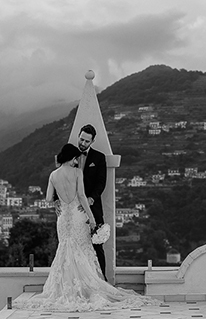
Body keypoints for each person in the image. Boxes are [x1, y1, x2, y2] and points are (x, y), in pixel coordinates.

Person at [13, 143, 157, 312]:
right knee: (83, 250)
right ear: (72, 158)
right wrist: (92, 217)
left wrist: (58, 201)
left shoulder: (53, 175)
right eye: (76, 158)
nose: (77, 161)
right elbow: (81, 196)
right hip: (77, 215)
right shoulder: (76, 172)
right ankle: (86, 289)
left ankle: (66, 290)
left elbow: (48, 198)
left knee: (65, 251)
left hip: (62, 218)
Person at [77, 124, 107, 277]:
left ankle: (103, 279)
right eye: (81, 139)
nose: (83, 144)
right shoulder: (69, 155)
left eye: (86, 141)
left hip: (93, 207)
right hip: (74, 209)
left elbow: (101, 183)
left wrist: (91, 199)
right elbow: (58, 178)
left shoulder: (99, 158)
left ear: (92, 141)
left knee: (97, 245)